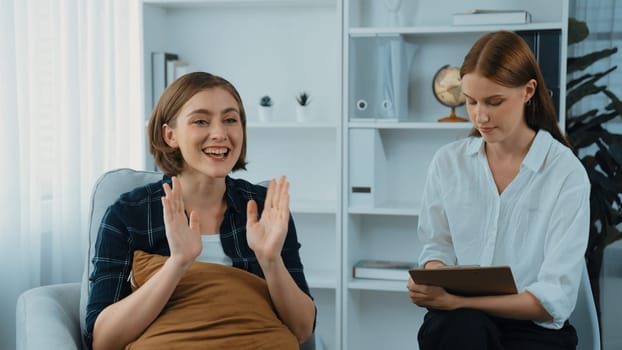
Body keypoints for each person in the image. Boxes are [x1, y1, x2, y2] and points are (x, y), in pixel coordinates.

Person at [85, 72, 316, 349]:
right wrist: (177, 264)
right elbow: (103, 341)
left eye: (230, 120)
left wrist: (270, 260)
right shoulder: (127, 215)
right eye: (201, 121)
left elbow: (302, 330)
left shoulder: (267, 208)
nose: (220, 133)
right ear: (170, 135)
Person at [407, 30, 590, 350]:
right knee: (461, 329)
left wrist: (460, 302)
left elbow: (553, 300)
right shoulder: (447, 163)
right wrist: (433, 279)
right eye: (471, 101)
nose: (480, 116)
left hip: (533, 329)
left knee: (464, 324)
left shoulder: (565, 173)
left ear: (528, 91)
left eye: (494, 102)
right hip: (458, 323)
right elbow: (436, 248)